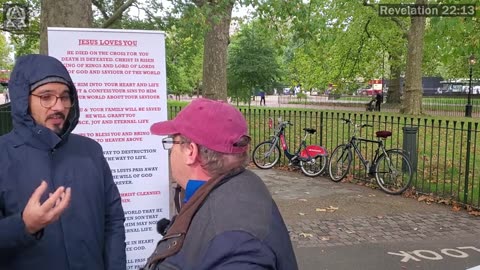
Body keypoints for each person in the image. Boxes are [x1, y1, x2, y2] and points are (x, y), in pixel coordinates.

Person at [0, 54, 126, 270]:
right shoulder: (3, 154)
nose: (58, 106)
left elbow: (113, 221)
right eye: (46, 97)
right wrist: (25, 225)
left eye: (65, 96)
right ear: (23, 99)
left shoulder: (90, 151)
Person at [143, 98, 298, 270]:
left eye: (173, 142)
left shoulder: (237, 242)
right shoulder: (243, 184)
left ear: (191, 151)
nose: (171, 150)